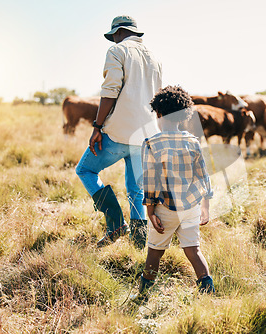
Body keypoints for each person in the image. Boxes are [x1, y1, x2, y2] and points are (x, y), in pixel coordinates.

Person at [75, 15, 162, 248]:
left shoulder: (117, 51)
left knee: (85, 170)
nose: (113, 40)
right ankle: (139, 243)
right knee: (136, 189)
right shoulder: (154, 57)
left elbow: (110, 90)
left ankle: (115, 224)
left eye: (113, 36)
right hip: (146, 134)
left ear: (118, 32)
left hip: (118, 132)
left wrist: (97, 127)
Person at [133, 85, 214, 302]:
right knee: (194, 251)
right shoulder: (192, 141)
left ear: (158, 114)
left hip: (165, 209)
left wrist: (150, 212)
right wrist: (205, 207)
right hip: (191, 207)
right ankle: (208, 292)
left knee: (154, 252)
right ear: (183, 116)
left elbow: (150, 183)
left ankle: (144, 295)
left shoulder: (151, 143)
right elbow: (203, 177)